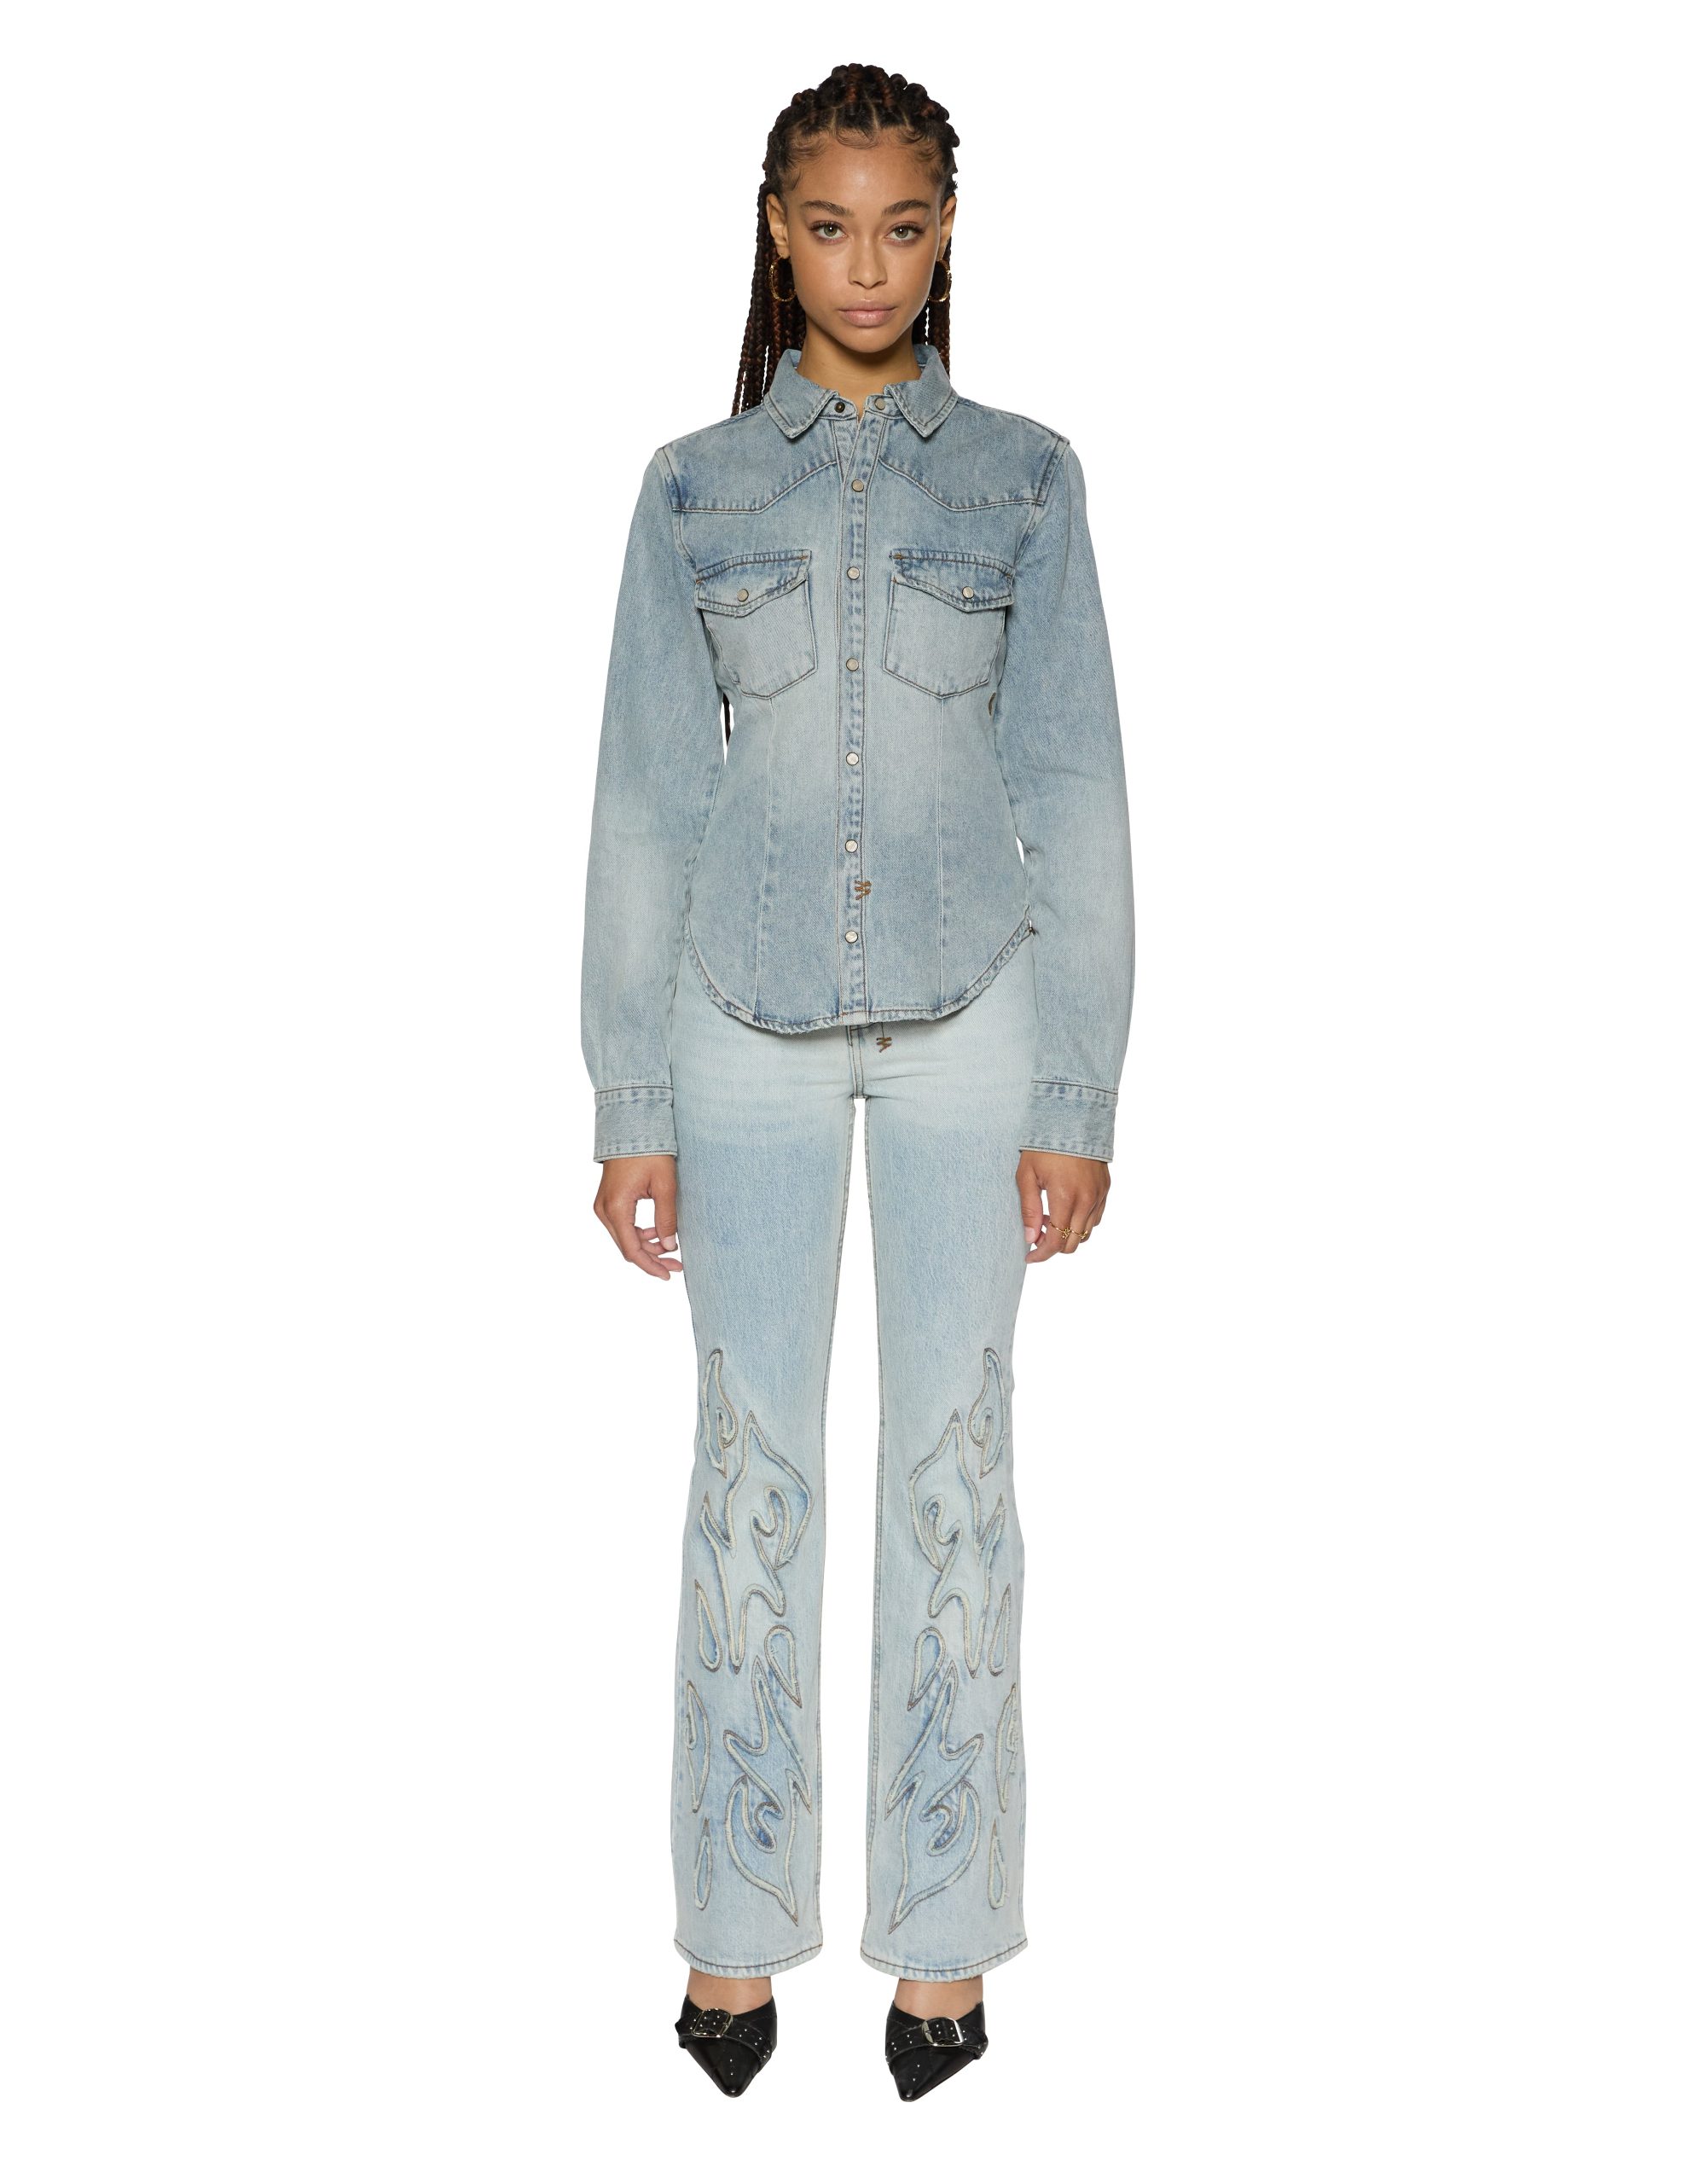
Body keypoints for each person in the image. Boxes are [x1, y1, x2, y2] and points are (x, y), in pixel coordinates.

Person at [579, 61, 1134, 2102]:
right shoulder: (694, 491)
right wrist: (627, 1098)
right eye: (831, 227)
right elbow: (646, 804)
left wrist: (1078, 1090)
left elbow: (1074, 781)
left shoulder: (1026, 480)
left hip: (973, 1015)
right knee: (752, 1466)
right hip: (732, 1028)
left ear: (948, 229)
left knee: (952, 1468)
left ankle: (943, 1936)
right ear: (778, 232)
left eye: (904, 226)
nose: (868, 266)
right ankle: (732, 1931)